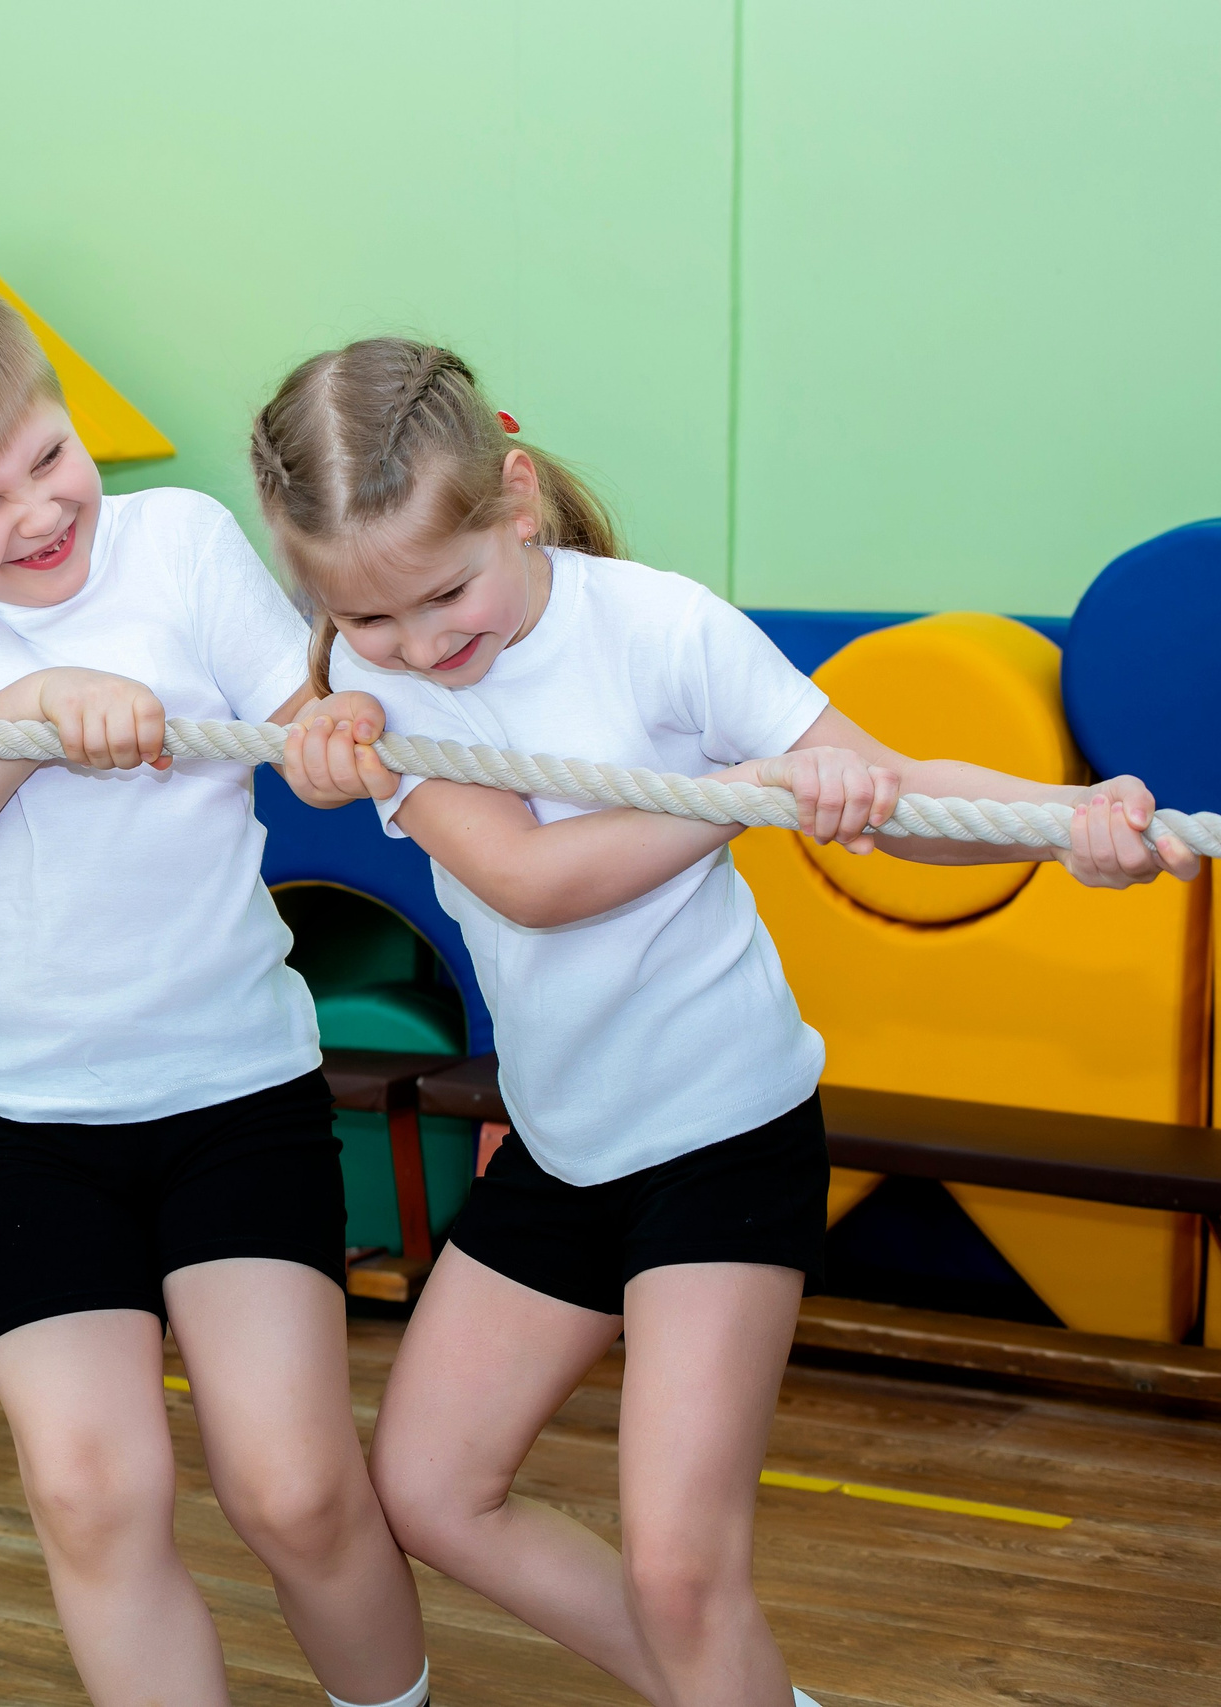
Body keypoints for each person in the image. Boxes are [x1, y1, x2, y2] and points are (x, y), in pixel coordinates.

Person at [253, 337, 1197, 1707]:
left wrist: (1074, 825)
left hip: (721, 1141)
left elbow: (881, 793)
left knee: (685, 1574)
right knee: (428, 1491)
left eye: (446, 593)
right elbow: (530, 879)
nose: (420, 646)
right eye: (371, 620)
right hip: (566, 1148)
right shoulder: (378, 687)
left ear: (515, 495)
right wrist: (736, 793)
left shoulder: (659, 629)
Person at [0, 277, 430, 1707]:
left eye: (45, 456)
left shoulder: (180, 544)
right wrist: (30, 712)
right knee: (90, 1494)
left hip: (233, 1096)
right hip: (36, 1118)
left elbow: (300, 715)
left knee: (297, 1491)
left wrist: (334, 732)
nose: (36, 511)